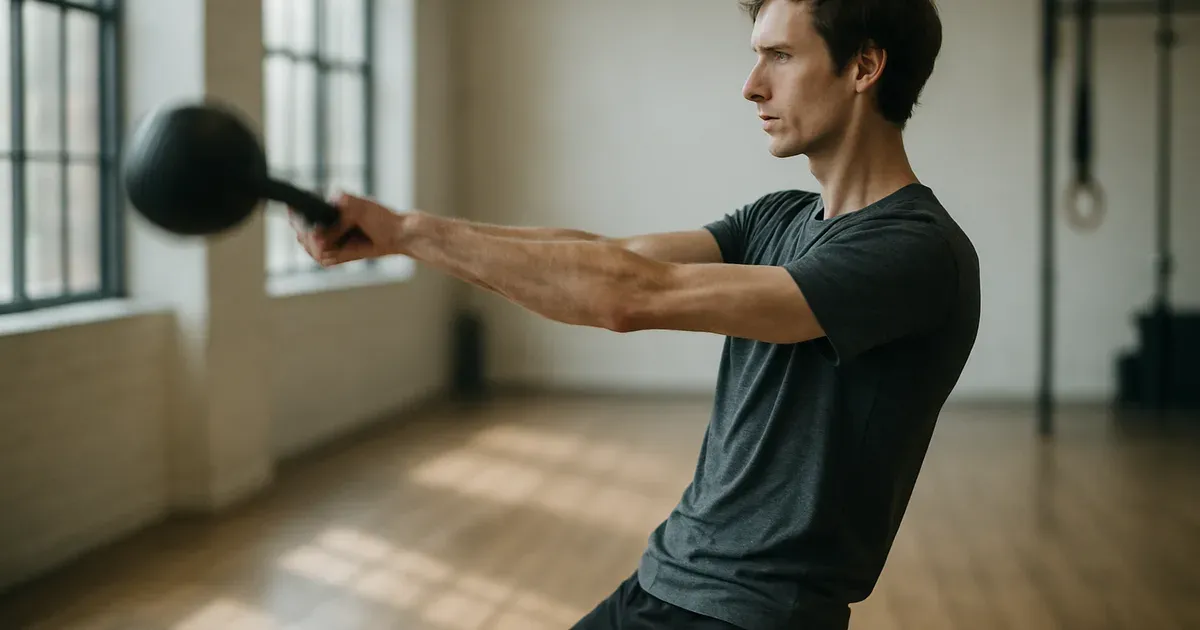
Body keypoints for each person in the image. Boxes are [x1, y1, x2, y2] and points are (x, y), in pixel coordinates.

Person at [293, 0, 979, 627]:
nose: (751, 86)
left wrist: (410, 232)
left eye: (780, 56)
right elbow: (605, 257)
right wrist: (403, 234)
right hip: (665, 579)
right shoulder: (778, 218)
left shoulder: (916, 252)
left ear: (864, 66)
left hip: (751, 612)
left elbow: (631, 295)